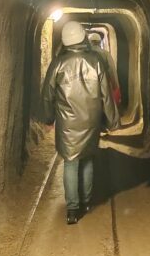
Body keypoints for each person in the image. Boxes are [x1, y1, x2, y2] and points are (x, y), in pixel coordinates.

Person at [42, 21, 120, 224]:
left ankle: (72, 209)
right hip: (90, 121)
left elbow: (48, 95)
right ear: (82, 38)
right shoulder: (96, 62)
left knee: (70, 162)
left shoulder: (58, 64)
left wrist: (48, 119)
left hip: (67, 123)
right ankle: (86, 202)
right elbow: (106, 95)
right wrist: (112, 121)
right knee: (87, 159)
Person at [88, 30, 122, 106]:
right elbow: (112, 70)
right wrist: (115, 85)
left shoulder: (86, 54)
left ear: (90, 42)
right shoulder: (106, 54)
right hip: (104, 83)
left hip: (89, 85)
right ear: (99, 42)